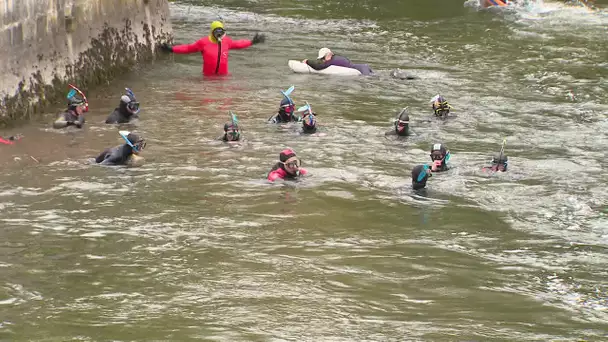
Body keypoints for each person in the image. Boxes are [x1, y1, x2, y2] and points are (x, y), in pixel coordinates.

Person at [159, 21, 266, 76]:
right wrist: (172, 49)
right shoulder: (203, 42)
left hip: (224, 78)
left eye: (221, 32)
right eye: (216, 32)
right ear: (212, 32)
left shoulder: (226, 41)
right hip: (207, 78)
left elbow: (238, 44)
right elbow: (188, 48)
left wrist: (252, 42)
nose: (219, 35)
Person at [302, 48, 373, 76]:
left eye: (323, 58)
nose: (322, 60)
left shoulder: (332, 60)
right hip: (364, 67)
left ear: (328, 55)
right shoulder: (335, 58)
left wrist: (307, 61)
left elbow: (319, 66)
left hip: (363, 70)